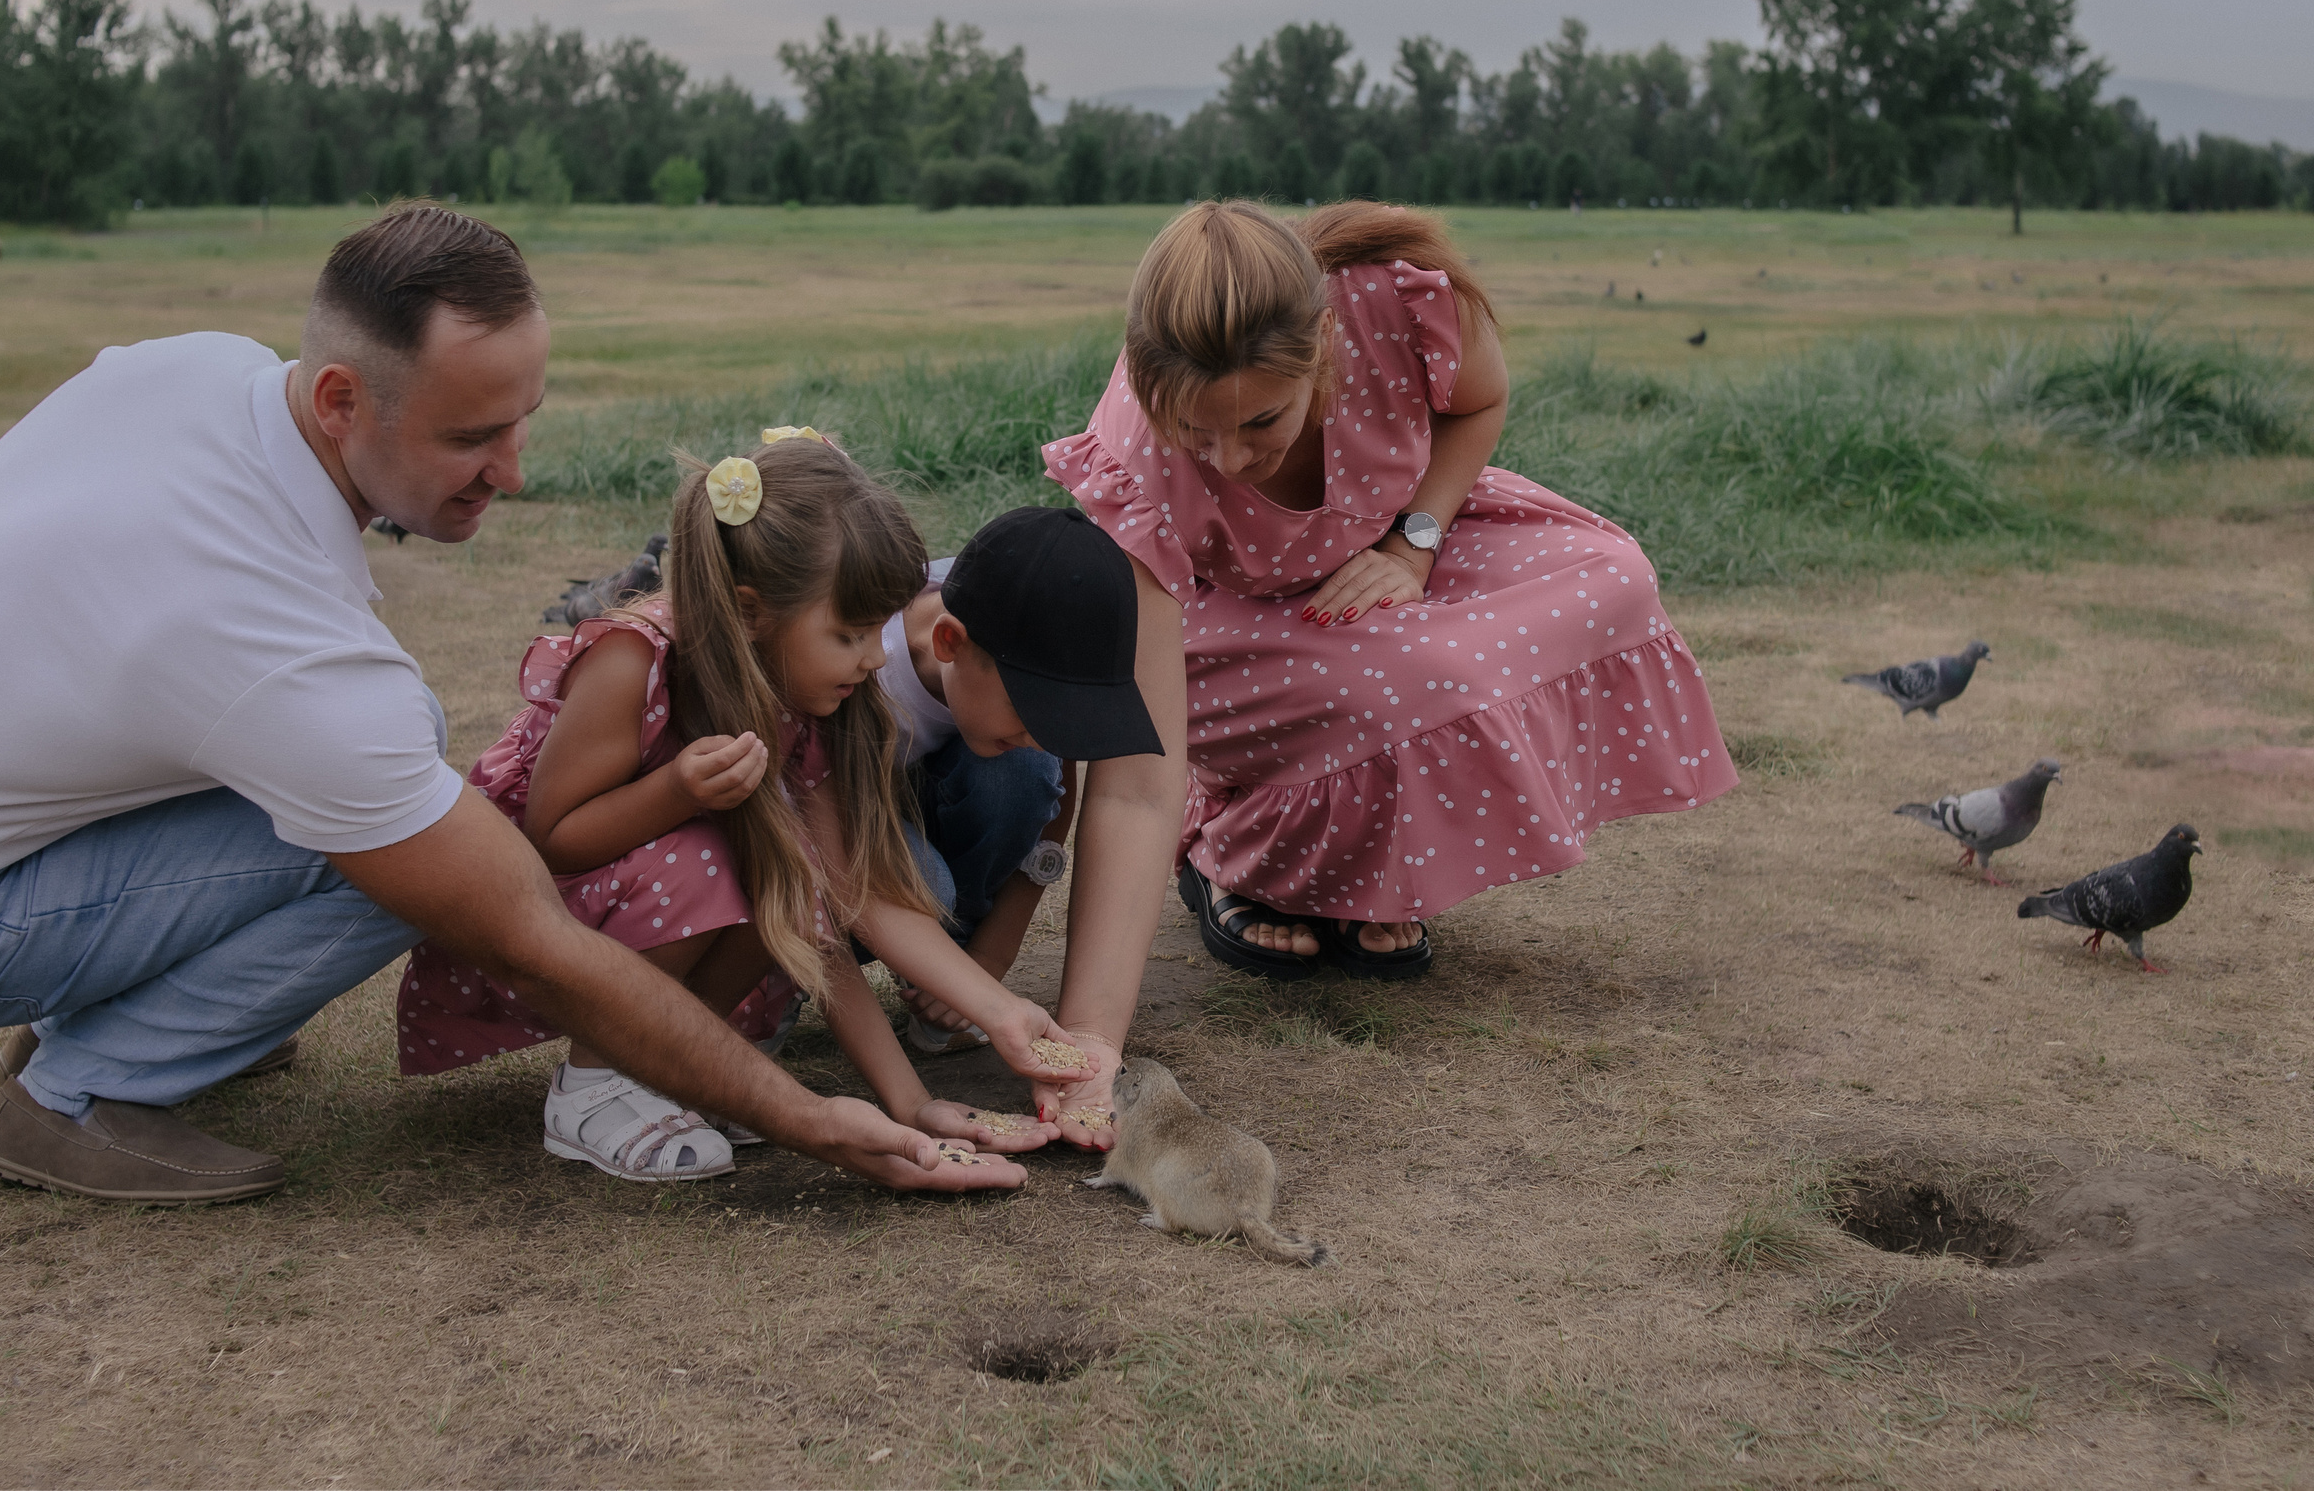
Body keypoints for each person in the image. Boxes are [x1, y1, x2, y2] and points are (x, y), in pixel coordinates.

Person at [0, 202, 1016, 1204]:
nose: (515, 473)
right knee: (402, 842)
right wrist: (813, 1119)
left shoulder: (206, 372)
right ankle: (77, 1091)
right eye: (473, 435)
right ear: (341, 401)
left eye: (523, 420)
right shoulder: (274, 634)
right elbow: (524, 931)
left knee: (388, 766)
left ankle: (144, 1009)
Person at [1042, 198, 1736, 983]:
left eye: (1260, 423)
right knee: (1413, 679)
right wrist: (1090, 1029)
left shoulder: (1389, 302)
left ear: (1324, 353)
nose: (1227, 460)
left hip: (1390, 543)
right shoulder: (1135, 453)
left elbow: (1480, 399)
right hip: (1213, 629)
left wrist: (1414, 544)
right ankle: (1233, 854)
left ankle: (1362, 875)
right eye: (1196, 432)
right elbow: (1139, 748)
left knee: (1615, 580)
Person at [395, 436, 1092, 1179]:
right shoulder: (633, 662)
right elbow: (551, 838)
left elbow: (836, 899)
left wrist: (914, 1099)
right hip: (550, 910)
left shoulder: (807, 702)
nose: (877, 658)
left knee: (783, 872)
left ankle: (673, 1069)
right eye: (851, 634)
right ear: (753, 612)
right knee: (718, 853)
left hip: (652, 913)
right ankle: (593, 1086)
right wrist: (674, 793)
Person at [874, 506, 1168, 1055]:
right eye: (1030, 708)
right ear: (948, 643)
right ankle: (777, 985)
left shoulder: (1014, 622)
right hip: (823, 824)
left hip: (908, 799)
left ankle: (948, 974)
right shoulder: (866, 672)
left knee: (1029, 771)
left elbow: (1053, 803)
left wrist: (989, 959)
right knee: (926, 886)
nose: (1042, 734)